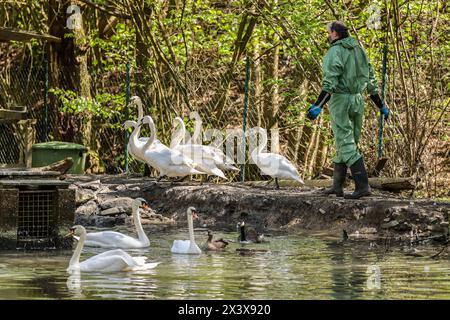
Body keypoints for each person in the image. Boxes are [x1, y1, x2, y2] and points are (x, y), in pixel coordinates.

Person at [306, 21, 389, 199]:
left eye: (328, 33)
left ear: (335, 33)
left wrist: (318, 105)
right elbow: (371, 80)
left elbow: (330, 82)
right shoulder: (360, 50)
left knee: (346, 143)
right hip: (358, 100)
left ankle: (363, 186)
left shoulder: (335, 51)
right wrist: (380, 105)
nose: (328, 36)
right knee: (346, 142)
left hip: (341, 100)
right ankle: (337, 187)